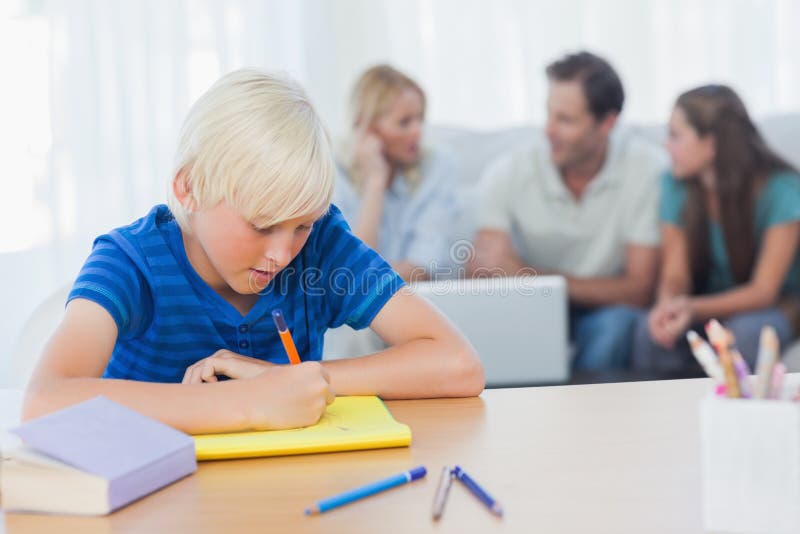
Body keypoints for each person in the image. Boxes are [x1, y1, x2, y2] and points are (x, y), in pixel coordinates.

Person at [23, 69, 484, 434]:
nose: (283, 253)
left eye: (301, 224)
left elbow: (458, 365)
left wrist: (297, 380)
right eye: (262, 224)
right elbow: (44, 402)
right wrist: (245, 404)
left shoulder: (321, 246)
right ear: (188, 188)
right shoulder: (130, 261)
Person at [468, 51, 666, 372]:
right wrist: (509, 274)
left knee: (617, 325)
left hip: (606, 310)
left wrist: (526, 273)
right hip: (531, 309)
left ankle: (585, 418)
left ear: (607, 123)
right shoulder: (510, 170)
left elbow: (639, 290)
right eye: (548, 114)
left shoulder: (648, 171)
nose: (548, 131)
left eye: (565, 120)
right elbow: (482, 271)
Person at [633, 85, 800, 371]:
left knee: (746, 335)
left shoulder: (783, 190)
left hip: (772, 307)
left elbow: (763, 292)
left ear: (711, 145)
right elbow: (675, 274)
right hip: (703, 307)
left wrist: (692, 307)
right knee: (650, 336)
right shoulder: (675, 185)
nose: (665, 145)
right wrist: (668, 307)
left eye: (675, 135)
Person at [334, 64, 461, 282]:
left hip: (418, 299)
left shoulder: (438, 166)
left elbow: (421, 267)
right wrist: (375, 183)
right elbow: (354, 266)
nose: (418, 131)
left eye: (420, 118)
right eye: (405, 122)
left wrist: (366, 281)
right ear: (367, 129)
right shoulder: (333, 175)